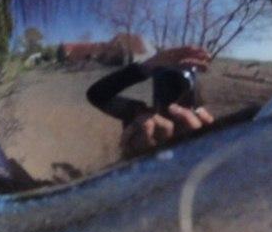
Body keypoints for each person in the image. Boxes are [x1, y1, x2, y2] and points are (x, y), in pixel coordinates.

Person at [86, 45, 215, 158]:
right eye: (166, 85)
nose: (172, 98)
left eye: (179, 87)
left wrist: (208, 140)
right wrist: (145, 67)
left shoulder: (203, 121)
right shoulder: (140, 114)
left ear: (191, 94)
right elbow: (97, 94)